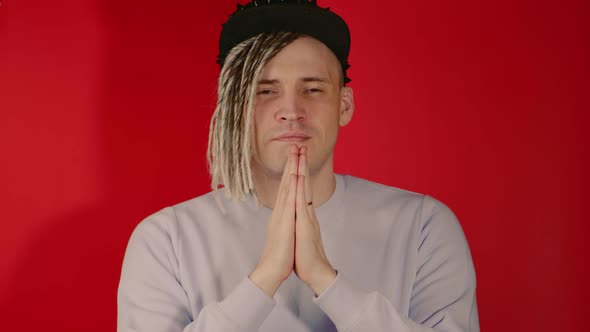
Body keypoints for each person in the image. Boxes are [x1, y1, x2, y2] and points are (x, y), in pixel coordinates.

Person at [117, 1, 480, 331]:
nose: (291, 110)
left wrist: (326, 280)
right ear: (235, 109)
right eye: (265, 90)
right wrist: (265, 279)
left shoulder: (423, 227)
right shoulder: (166, 239)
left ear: (345, 104)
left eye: (313, 89)